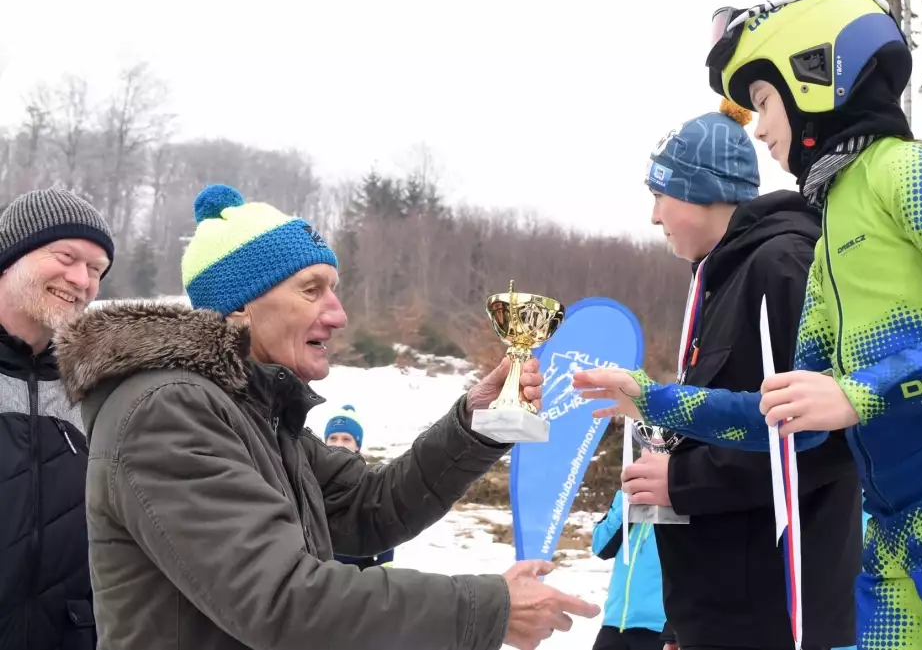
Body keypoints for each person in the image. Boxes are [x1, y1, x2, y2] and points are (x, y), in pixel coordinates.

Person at [580, 0, 922, 648]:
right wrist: (649, 398)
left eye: (764, 101)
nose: (760, 126)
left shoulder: (910, 172)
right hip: (895, 520)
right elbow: (786, 421)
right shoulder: (832, 227)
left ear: (818, 77)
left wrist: (860, 392)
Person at [54, 183, 599, 650]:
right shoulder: (168, 411)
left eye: (333, 290)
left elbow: (372, 507)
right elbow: (280, 600)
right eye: (312, 290)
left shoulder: (253, 410)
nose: (337, 314)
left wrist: (478, 424)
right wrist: (490, 606)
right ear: (240, 305)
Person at [596, 103, 862, 650]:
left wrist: (682, 481)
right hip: (721, 614)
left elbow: (823, 441)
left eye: (659, 195)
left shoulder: (781, 266)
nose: (653, 216)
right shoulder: (720, 279)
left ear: (701, 192)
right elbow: (730, 422)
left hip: (773, 617)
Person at [0, 186, 114, 650]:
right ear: (9, 258)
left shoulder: (98, 390)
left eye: (96, 269)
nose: (81, 279)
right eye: (65, 255)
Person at [590, 490, 666, 650]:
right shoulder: (627, 494)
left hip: (662, 628)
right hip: (616, 623)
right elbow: (601, 547)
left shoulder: (683, 492)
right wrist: (626, 505)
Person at [323, 404, 396, 570]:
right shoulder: (309, 478)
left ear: (357, 445)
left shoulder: (370, 480)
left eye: (346, 439)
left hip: (360, 575)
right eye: (333, 438)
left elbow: (385, 527)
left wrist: (383, 570)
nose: (338, 444)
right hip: (319, 575)